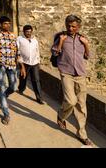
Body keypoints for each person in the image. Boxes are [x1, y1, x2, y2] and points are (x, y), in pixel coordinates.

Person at [51, 15, 92, 146]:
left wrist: (86, 45)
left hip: (80, 73)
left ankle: (82, 134)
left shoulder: (82, 38)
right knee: (71, 100)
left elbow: (87, 56)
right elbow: (55, 53)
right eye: (68, 25)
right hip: (66, 72)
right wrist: (61, 42)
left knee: (81, 105)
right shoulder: (60, 37)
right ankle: (61, 116)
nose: (70, 28)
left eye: (73, 26)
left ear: (78, 27)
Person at [0, 16, 20, 125]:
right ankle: (6, 113)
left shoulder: (13, 36)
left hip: (12, 64)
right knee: (2, 87)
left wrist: (21, 65)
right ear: (0, 25)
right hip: (0, 64)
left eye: (9, 23)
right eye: (5, 23)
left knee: (14, 87)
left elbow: (16, 50)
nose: (8, 25)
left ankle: (4, 96)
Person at [17, 25, 44, 104]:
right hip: (24, 63)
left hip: (34, 63)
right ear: (24, 32)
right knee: (23, 77)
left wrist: (39, 62)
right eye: (27, 32)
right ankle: (21, 88)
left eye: (30, 32)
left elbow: (37, 51)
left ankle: (39, 98)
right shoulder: (19, 39)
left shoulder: (34, 40)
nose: (28, 33)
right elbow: (17, 51)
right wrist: (20, 63)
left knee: (36, 80)